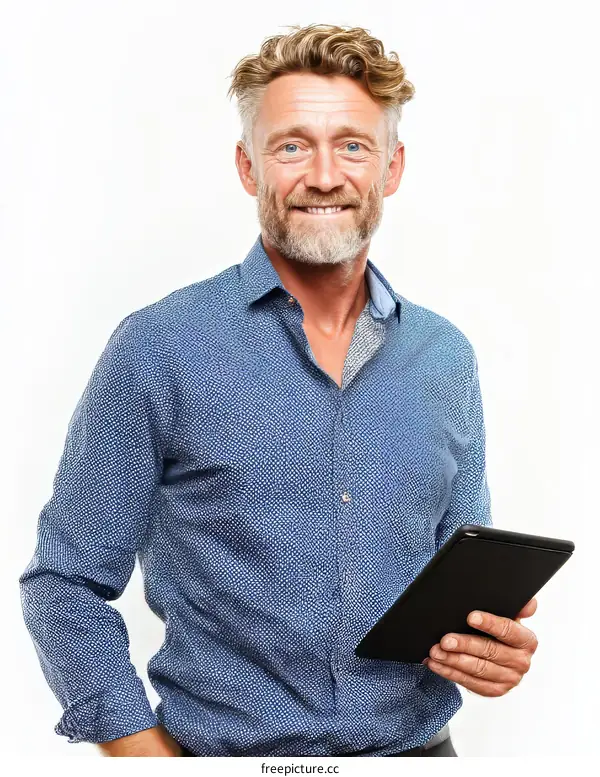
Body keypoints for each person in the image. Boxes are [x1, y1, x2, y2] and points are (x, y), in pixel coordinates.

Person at [18, 23, 538, 758]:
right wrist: (141, 755)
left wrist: (488, 645)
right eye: (292, 146)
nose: (324, 175)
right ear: (248, 166)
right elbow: (65, 581)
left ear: (391, 167)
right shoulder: (159, 346)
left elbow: (460, 582)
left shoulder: (445, 357)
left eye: (352, 146)